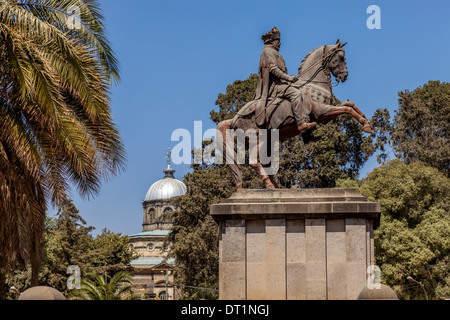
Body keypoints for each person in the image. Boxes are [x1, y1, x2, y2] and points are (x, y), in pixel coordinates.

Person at [253, 27, 317, 134]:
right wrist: (288, 78)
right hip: (274, 87)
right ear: (272, 41)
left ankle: (307, 134)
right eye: (278, 41)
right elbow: (273, 69)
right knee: (296, 93)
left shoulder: (275, 53)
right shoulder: (268, 51)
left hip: (281, 83)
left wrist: (290, 78)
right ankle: (301, 123)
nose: (280, 43)